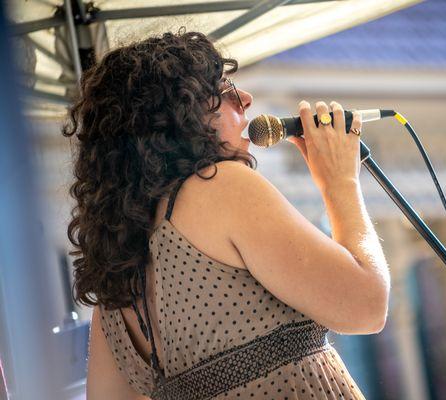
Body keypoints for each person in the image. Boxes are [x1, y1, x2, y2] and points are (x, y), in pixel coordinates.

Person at [64, 30, 390, 400]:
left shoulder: (115, 280)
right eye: (224, 89)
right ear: (179, 114)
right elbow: (367, 305)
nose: (246, 99)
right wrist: (341, 182)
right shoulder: (219, 186)